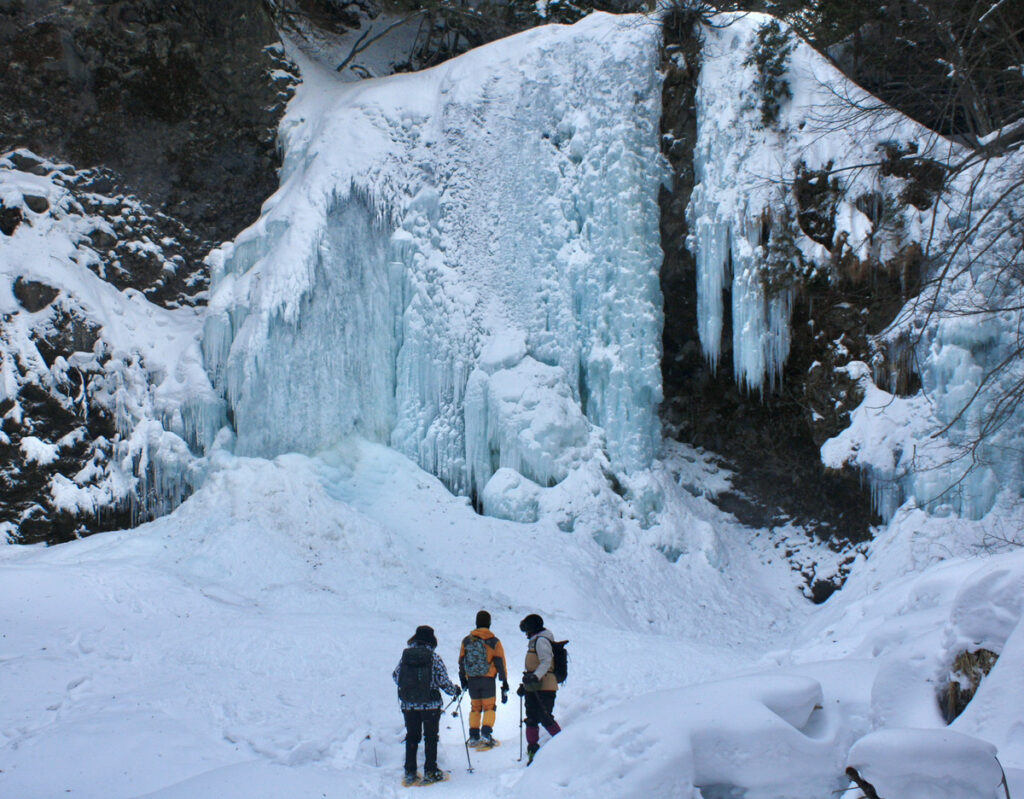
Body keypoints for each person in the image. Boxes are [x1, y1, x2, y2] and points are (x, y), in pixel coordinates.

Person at [393, 625, 460, 786]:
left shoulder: (405, 657)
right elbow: (443, 681)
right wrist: (454, 691)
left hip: (409, 705)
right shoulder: (434, 657)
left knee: (412, 736)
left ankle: (410, 772)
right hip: (430, 705)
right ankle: (430, 770)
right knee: (430, 737)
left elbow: (396, 676)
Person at [457, 610, 509, 748]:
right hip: (488, 680)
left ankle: (474, 736)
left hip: (472, 680)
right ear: (489, 623)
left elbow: (461, 661)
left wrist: (463, 679)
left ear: (476, 623)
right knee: (489, 707)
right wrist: (504, 681)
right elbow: (500, 662)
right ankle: (486, 734)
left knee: (475, 708)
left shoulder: (467, 640)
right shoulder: (494, 641)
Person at [517, 613, 561, 764]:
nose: (526, 635)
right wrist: (526, 685)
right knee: (532, 719)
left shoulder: (542, 641)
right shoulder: (536, 641)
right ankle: (532, 752)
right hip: (534, 686)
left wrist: (535, 676)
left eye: (527, 631)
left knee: (545, 717)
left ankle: (564, 744)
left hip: (545, 686)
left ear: (532, 629)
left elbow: (546, 662)